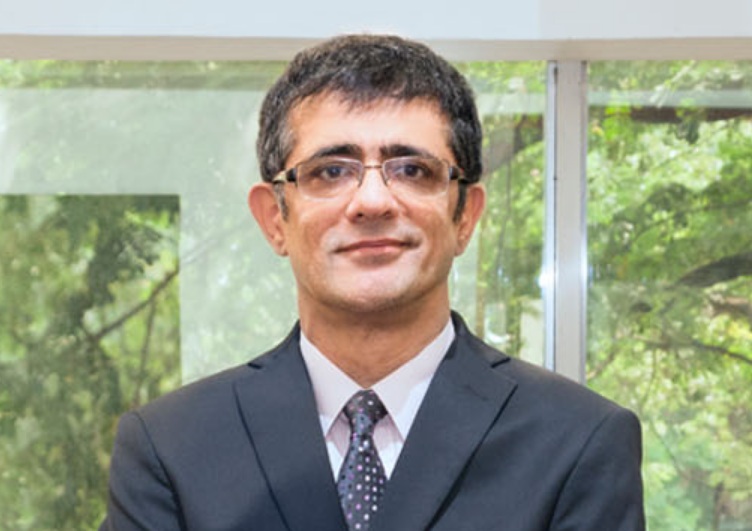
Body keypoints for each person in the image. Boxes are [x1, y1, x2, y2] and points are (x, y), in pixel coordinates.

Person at [101, 34, 645, 530]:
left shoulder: (577, 441)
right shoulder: (172, 447)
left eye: (412, 169)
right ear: (274, 219)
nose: (372, 202)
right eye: (331, 171)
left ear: (465, 216)